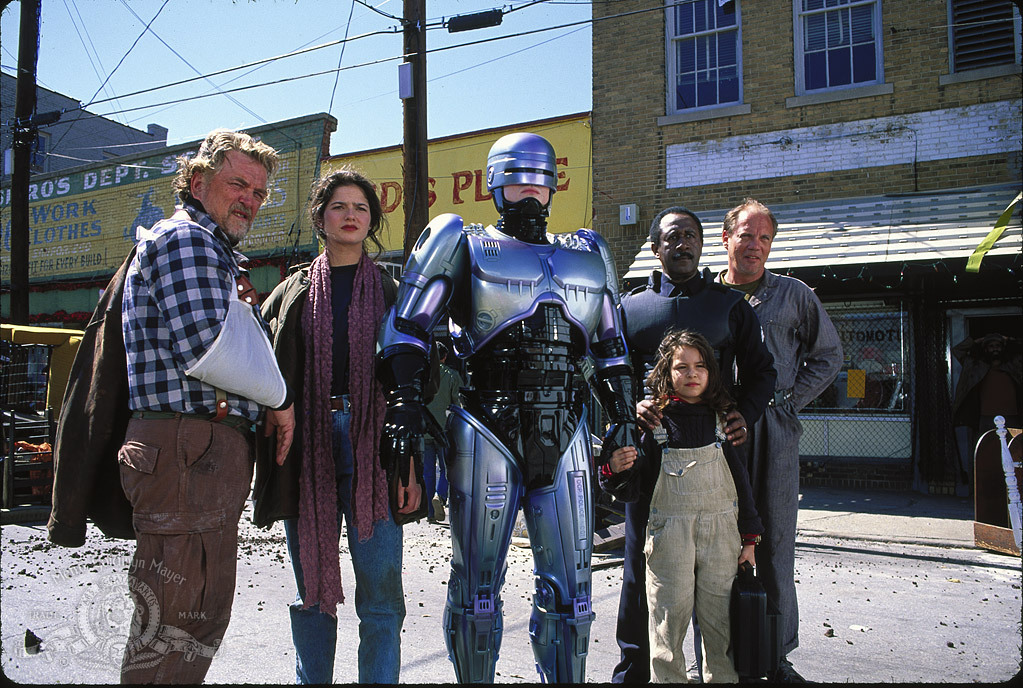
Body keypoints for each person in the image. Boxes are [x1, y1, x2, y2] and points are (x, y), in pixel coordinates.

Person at [375, 132, 637, 683]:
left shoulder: (588, 252)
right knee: (477, 591)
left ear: (553, 186)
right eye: (516, 181)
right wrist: (403, 405)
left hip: (566, 431)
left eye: (539, 182)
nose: (528, 193)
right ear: (495, 183)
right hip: (484, 425)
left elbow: (612, 346)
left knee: (573, 594)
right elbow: (407, 327)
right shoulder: (461, 240)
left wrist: (623, 417)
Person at [118, 129, 295, 684]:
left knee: (191, 618)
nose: (250, 199)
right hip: (185, 450)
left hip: (194, 453)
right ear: (198, 182)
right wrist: (281, 398)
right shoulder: (187, 240)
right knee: (177, 622)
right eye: (237, 183)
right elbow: (210, 347)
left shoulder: (211, 249)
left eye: (260, 192)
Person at [253, 168, 421, 684]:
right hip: (307, 445)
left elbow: (419, 385)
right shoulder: (288, 294)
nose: (351, 215)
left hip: (380, 447)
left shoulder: (397, 292)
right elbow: (261, 370)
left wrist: (410, 463)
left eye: (361, 208)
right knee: (312, 592)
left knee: (381, 596)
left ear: (371, 222)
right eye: (339, 207)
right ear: (321, 218)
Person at [611, 205, 777, 683]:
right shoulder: (630, 308)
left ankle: (721, 672)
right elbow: (609, 372)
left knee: (719, 579)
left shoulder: (730, 306)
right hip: (650, 460)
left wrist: (744, 412)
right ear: (655, 246)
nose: (681, 242)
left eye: (690, 235)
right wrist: (628, 412)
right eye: (671, 236)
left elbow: (763, 370)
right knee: (641, 573)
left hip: (718, 458)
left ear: (704, 244)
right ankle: (634, 672)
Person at [718, 198, 843, 682]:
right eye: (746, 236)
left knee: (774, 543)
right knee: (718, 543)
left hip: (774, 432)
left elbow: (828, 356)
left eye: (764, 238)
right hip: (720, 431)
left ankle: (777, 655)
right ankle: (719, 650)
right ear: (727, 238)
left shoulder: (794, 295)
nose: (755, 246)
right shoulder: (708, 296)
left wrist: (789, 402)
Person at [607, 329, 763, 683]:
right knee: (667, 619)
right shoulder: (653, 424)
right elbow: (630, 488)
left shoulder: (723, 423)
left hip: (721, 538)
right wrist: (612, 468)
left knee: (720, 622)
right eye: (681, 367)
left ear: (711, 372)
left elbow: (741, 485)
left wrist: (750, 539)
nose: (692, 374)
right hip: (668, 540)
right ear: (666, 372)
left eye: (700, 366)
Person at [951, 332, 1022, 484]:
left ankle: (1013, 486)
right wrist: (977, 340)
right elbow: (958, 350)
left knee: (1014, 452)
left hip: (1012, 417)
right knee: (987, 452)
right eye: (990, 346)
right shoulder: (976, 367)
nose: (994, 349)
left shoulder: (1014, 364)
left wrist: (1008, 339)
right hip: (986, 418)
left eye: (997, 346)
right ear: (985, 349)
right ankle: (990, 486)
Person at [424, 340, 464, 522]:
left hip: (425, 430)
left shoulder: (423, 375)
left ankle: (429, 512)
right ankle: (440, 496)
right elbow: (458, 404)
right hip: (445, 430)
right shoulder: (452, 376)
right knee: (447, 469)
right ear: (445, 357)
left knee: (427, 471)